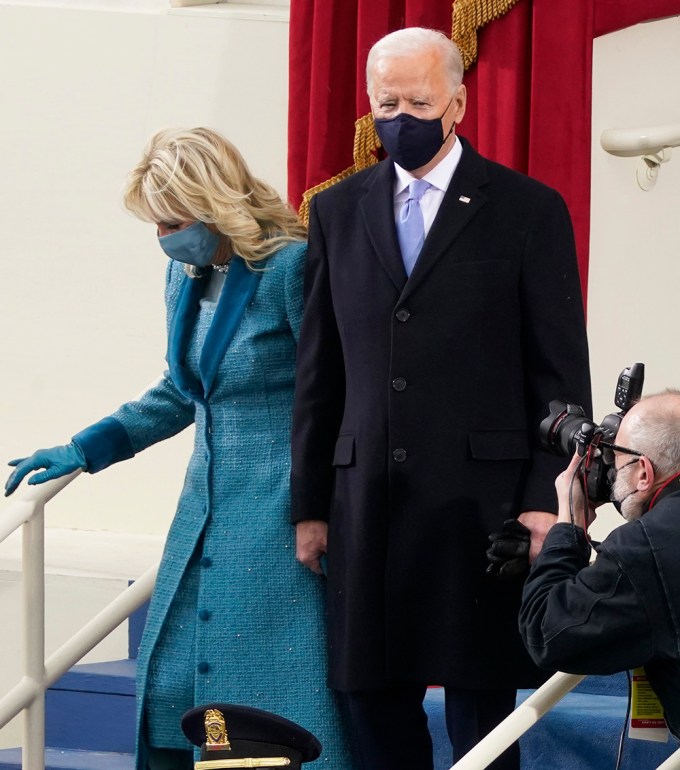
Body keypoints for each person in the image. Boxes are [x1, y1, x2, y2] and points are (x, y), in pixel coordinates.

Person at [4, 128, 354, 770]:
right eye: (156, 223)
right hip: (203, 518)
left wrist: (320, 508)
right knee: (176, 690)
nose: (164, 235)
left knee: (268, 703)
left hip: (282, 517)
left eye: (173, 219)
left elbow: (334, 394)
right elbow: (180, 391)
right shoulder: (185, 273)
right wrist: (85, 447)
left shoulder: (290, 266)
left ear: (215, 201)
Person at [290, 26, 592, 770]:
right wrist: (310, 505)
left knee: (480, 714)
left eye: (417, 100)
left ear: (457, 101)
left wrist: (543, 503)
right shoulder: (337, 210)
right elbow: (319, 370)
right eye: (385, 101)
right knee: (368, 699)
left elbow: (560, 374)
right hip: (366, 502)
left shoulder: (527, 209)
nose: (400, 116)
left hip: (481, 506)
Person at [519, 391, 680, 739]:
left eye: (617, 463)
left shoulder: (645, 549)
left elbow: (547, 630)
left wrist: (569, 526)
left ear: (643, 474)